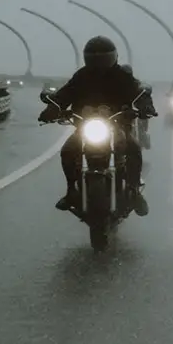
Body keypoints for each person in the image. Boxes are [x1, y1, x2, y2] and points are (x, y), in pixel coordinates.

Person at [38, 36, 157, 215]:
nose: (99, 63)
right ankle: (72, 191)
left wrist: (145, 106)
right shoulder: (81, 76)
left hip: (117, 125)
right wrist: (52, 108)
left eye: (103, 58)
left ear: (114, 57)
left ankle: (133, 192)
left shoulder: (122, 76)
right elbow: (65, 94)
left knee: (133, 149)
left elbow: (138, 91)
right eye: (95, 58)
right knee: (68, 151)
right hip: (86, 126)